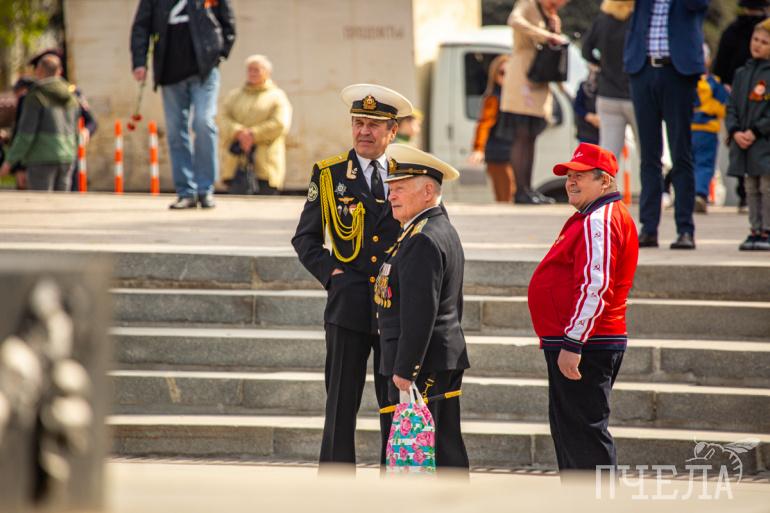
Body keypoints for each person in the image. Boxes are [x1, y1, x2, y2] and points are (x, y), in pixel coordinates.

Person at [292, 84, 413, 468]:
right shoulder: (329, 174)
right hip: (349, 303)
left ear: (392, 131)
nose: (364, 131)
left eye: (373, 125)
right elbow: (305, 238)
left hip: (395, 305)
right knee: (340, 403)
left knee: (393, 402)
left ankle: (394, 479)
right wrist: (333, 276)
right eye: (358, 123)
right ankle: (335, 484)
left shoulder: (408, 173)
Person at [527, 142, 639, 471]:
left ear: (605, 181)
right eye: (568, 176)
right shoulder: (592, 216)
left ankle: (594, 498)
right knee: (573, 435)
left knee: (583, 438)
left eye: (581, 175)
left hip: (588, 342)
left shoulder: (600, 219)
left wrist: (573, 342)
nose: (571, 182)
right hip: (584, 339)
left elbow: (596, 286)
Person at [375, 143, 469, 473]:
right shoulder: (427, 229)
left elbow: (421, 312)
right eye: (391, 189)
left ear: (428, 191)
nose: (391, 196)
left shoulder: (423, 238)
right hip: (434, 357)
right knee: (440, 447)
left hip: (423, 363)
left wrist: (406, 369)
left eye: (400, 188)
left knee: (431, 451)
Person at [130, 0, 236, 209]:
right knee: (176, 132)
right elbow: (141, 27)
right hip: (170, 73)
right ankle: (186, 192)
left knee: (203, 122)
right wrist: (139, 62)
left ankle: (205, 189)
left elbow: (228, 21)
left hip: (204, 70)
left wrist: (220, 53)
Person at [624, 0, 708, 250]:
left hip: (678, 73)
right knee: (649, 156)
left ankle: (685, 229)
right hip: (643, 70)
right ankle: (648, 228)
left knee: (681, 154)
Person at [500, 0, 569, 205]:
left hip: (539, 76)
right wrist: (546, 35)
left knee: (531, 136)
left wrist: (554, 29)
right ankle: (520, 191)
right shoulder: (528, 4)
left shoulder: (550, 14)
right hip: (523, 76)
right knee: (522, 135)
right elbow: (514, 20)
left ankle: (528, 189)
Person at [713, 0, 770, 212]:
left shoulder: (732, 31)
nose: (758, 44)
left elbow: (720, 67)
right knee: (756, 179)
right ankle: (755, 218)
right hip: (743, 107)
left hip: (746, 111)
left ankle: (747, 202)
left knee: (754, 174)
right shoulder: (760, 31)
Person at [0, 55, 79, 191]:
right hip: (67, 155)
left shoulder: (36, 96)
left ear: (39, 71)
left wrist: (9, 162)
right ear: (59, 71)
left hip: (41, 157)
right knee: (63, 201)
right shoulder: (71, 96)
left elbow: (26, 135)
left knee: (42, 200)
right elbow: (75, 129)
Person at [726, 19, 770, 251]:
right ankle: (755, 229)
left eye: (764, 42)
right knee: (751, 187)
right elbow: (731, 106)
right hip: (744, 143)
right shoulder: (742, 73)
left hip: (764, 142)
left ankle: (767, 230)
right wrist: (735, 131)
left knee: (766, 187)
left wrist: (756, 131)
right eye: (756, 39)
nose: (758, 45)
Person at [219, 54, 292, 194]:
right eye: (250, 70)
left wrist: (253, 134)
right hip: (237, 166)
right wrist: (239, 133)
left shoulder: (277, 96)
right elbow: (222, 118)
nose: (252, 73)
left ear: (267, 72)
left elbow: (280, 124)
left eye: (257, 70)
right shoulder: (234, 96)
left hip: (266, 166)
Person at [581, 0, 638, 164]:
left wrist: (600, 64)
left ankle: (604, 182)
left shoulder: (602, 19)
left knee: (607, 154)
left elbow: (586, 50)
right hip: (635, 93)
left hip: (607, 94)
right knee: (647, 153)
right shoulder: (637, 20)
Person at [469, 54, 515, 202]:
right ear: (494, 75)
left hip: (511, 152)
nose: (506, 77)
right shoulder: (493, 98)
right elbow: (484, 123)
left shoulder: (514, 96)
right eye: (502, 73)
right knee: (505, 196)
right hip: (498, 153)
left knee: (510, 195)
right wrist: (478, 148)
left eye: (510, 73)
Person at [690, 43, 729, 214]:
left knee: (688, 164)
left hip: (688, 129)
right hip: (708, 130)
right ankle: (700, 194)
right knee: (705, 164)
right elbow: (725, 107)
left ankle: (687, 195)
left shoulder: (687, 83)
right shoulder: (715, 83)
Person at [573, 68, 600, 144]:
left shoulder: (609, 88)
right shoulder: (584, 86)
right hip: (586, 132)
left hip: (605, 131)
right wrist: (589, 116)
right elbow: (577, 106)